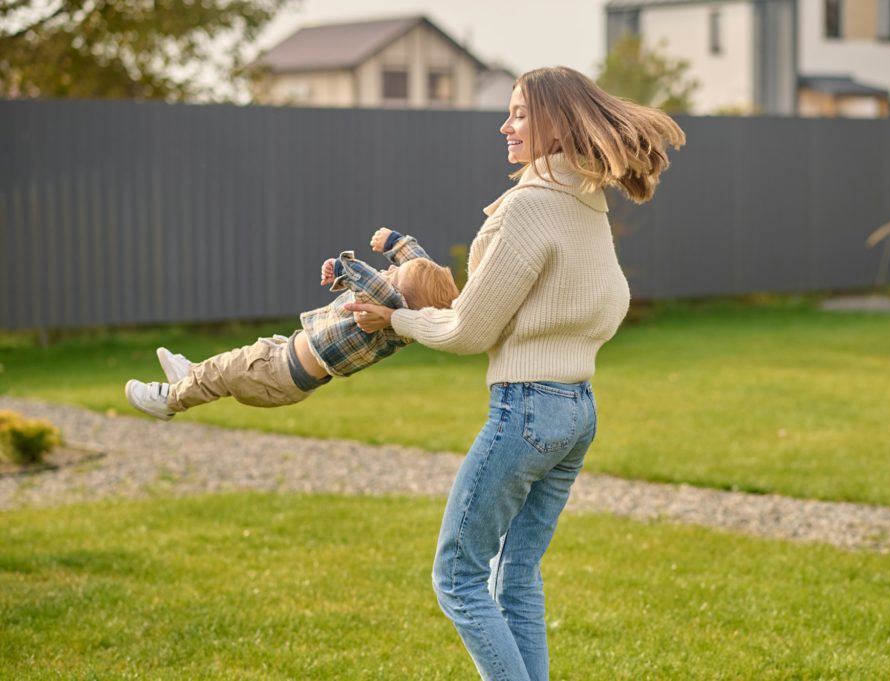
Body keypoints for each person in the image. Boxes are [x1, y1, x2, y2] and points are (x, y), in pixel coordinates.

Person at [345, 66, 685, 680]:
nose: (507, 126)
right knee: (517, 577)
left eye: (521, 113)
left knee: (458, 579)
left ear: (558, 122)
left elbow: (470, 330)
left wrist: (393, 323)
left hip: (527, 409)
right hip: (578, 410)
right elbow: (610, 303)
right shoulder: (585, 201)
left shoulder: (532, 206)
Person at [123, 228, 459, 420]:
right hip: (283, 357)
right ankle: (191, 376)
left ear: (399, 295)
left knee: (227, 371)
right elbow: (421, 270)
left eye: (393, 274)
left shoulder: (386, 307)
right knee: (228, 365)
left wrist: (344, 267)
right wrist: (398, 246)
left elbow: (375, 282)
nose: (387, 271)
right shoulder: (403, 313)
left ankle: (168, 400)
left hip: (280, 373)